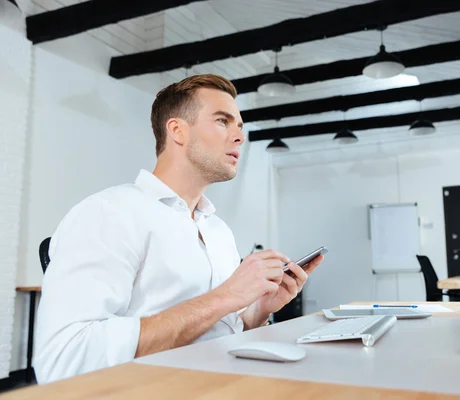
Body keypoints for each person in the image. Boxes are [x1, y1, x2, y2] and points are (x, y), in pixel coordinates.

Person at [33, 74, 324, 383]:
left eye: (239, 125)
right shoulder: (108, 214)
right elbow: (63, 360)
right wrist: (225, 296)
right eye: (223, 122)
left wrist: (256, 314)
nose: (240, 136)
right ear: (177, 131)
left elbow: (214, 332)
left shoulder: (219, 232)